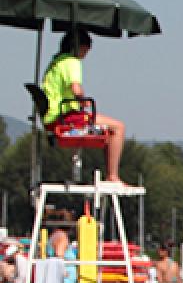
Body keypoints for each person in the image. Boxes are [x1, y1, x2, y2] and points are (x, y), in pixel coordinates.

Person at [40, 29, 126, 184]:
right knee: (118, 127)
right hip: (67, 118)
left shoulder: (56, 62)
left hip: (51, 118)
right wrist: (83, 100)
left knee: (106, 133)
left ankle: (110, 174)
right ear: (81, 47)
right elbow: (76, 88)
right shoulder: (72, 62)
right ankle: (113, 176)